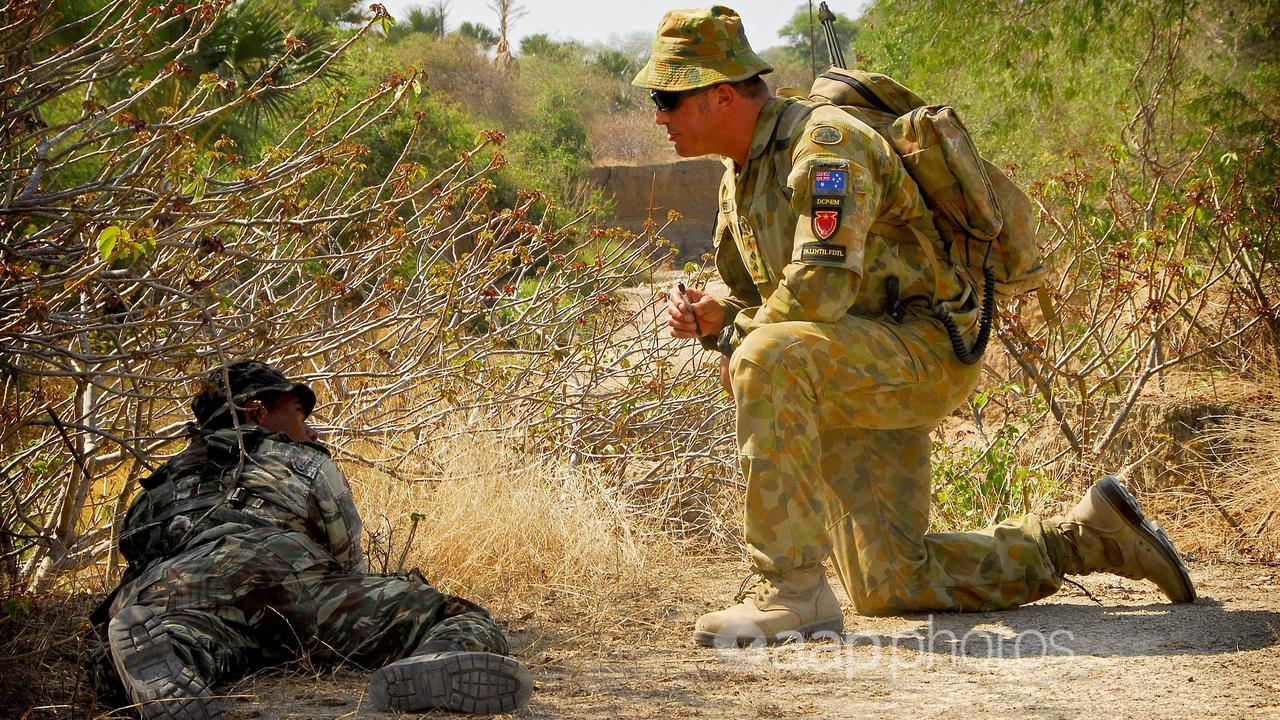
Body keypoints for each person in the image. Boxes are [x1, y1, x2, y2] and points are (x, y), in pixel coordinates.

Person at [632, 6, 1197, 647]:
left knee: (768, 356)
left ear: (721, 95)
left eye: (666, 99)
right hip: (849, 361)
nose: (658, 117)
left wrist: (744, 338)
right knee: (888, 582)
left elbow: (818, 289)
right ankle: (1086, 537)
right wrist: (713, 317)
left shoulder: (825, 146)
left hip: (920, 351)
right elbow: (747, 296)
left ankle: (794, 593)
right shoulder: (740, 175)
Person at [88, 360, 533, 718]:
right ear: (256, 411)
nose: (311, 429)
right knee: (451, 613)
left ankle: (166, 651)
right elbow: (347, 562)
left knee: (188, 638)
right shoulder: (299, 460)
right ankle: (431, 661)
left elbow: (138, 553)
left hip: (170, 588)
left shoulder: (160, 483)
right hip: (276, 568)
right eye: (298, 414)